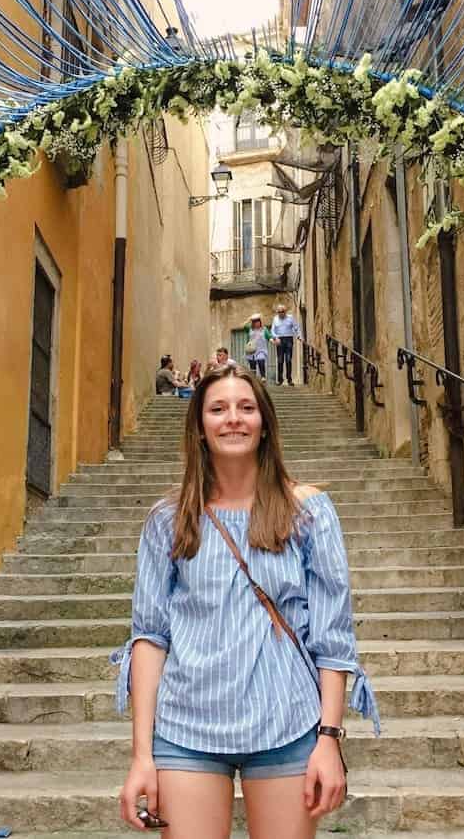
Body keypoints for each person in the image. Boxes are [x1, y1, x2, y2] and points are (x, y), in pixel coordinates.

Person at [112, 364, 379, 838]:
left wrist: (329, 741)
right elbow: (149, 639)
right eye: (218, 408)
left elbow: (333, 638)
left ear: (264, 423)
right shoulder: (167, 521)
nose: (233, 418)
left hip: (287, 721)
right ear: (199, 426)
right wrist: (142, 757)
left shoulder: (308, 513)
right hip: (186, 728)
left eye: (246, 408)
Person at [270, 304, 302, 386]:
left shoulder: (290, 318)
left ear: (285, 311)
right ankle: (280, 379)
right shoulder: (275, 319)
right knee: (280, 360)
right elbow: (272, 331)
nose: (281, 313)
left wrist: (299, 335)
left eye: (282, 311)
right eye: (279, 312)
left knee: (288, 359)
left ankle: (289, 379)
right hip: (279, 340)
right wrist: (275, 337)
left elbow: (296, 327)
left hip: (288, 339)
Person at [244, 314, 270, 383]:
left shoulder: (264, 329)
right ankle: (254, 379)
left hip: (261, 350)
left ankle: (263, 376)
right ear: (253, 323)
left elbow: (269, 336)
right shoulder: (249, 329)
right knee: (252, 366)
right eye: (255, 322)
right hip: (251, 350)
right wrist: (249, 319)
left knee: (261, 360)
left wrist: (273, 341)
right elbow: (244, 326)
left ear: (260, 322)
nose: (257, 323)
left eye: (258, 322)